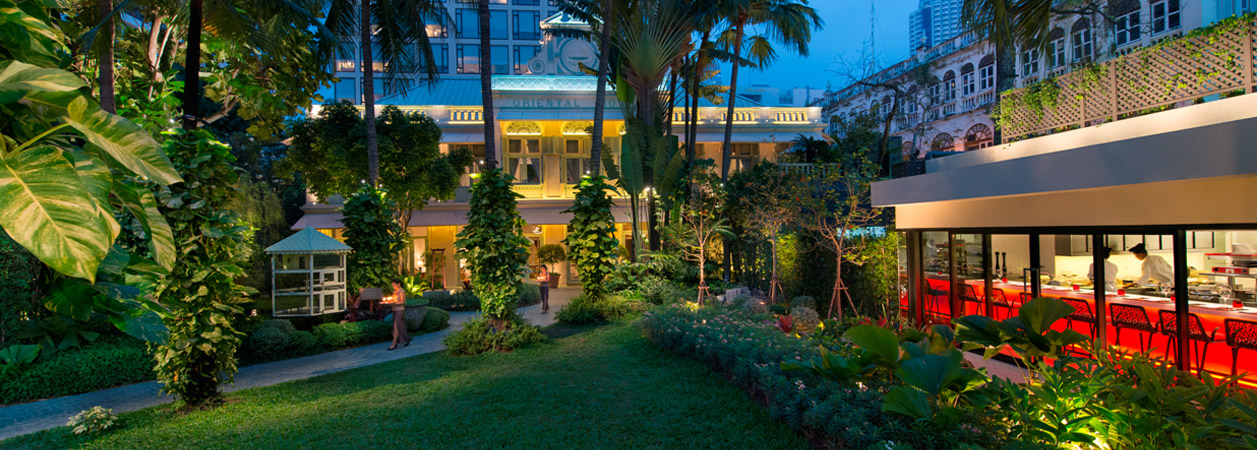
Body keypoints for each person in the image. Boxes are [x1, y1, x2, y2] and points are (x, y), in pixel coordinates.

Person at [387, 280, 411, 351]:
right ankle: (407, 339)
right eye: (393, 285)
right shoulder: (394, 292)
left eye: (394, 285)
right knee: (401, 326)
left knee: (396, 326)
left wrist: (394, 303)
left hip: (399, 310)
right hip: (394, 310)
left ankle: (394, 344)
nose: (393, 287)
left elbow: (402, 302)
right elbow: (392, 300)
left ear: (399, 284)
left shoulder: (401, 292)